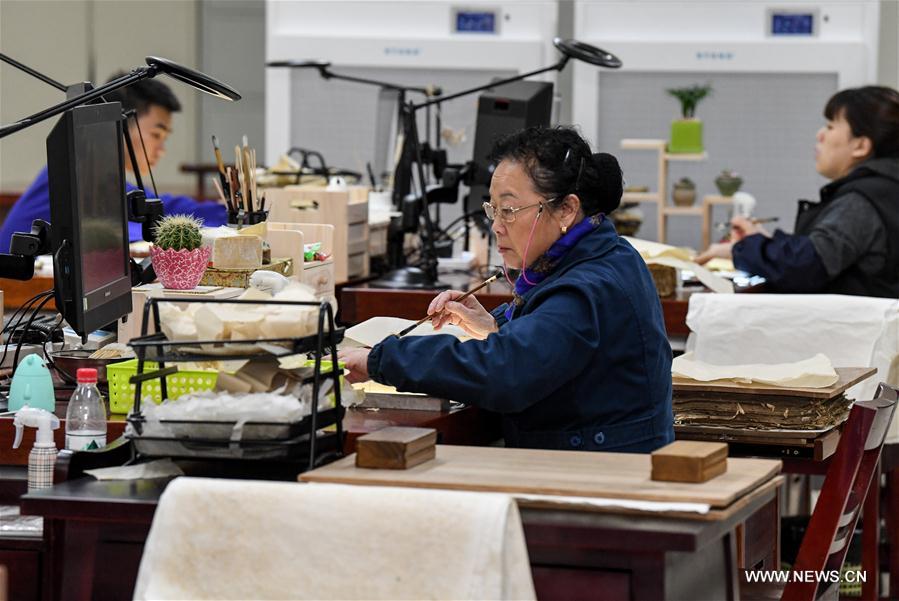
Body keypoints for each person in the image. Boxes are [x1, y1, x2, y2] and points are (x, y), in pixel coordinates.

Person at [340, 126, 674, 453]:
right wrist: (498, 325)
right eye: (494, 210)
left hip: (603, 473)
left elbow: (505, 372)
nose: (497, 226)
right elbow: (550, 341)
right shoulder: (609, 252)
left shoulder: (585, 288)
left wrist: (381, 360)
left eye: (510, 210)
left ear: (567, 209)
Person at [696, 86, 899, 298]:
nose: (820, 135)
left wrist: (741, 249)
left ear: (860, 146)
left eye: (830, 127)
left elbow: (805, 266)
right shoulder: (886, 191)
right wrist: (758, 241)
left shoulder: (861, 202)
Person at [0, 73, 227, 254]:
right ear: (120, 124)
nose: (162, 149)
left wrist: (225, 213)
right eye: (157, 135)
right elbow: (110, 231)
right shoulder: (82, 168)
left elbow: (156, 207)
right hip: (17, 289)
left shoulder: (100, 169)